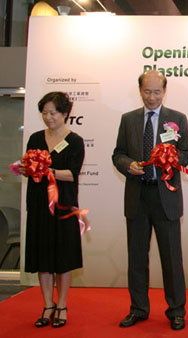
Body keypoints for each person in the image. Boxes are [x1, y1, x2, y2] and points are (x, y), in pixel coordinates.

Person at [112, 70, 188, 330]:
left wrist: (171, 160)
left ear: (164, 91)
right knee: (137, 258)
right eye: (147, 91)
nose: (152, 97)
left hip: (165, 196)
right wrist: (128, 165)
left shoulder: (177, 119)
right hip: (137, 195)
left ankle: (177, 310)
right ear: (140, 90)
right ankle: (138, 309)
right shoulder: (128, 119)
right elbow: (118, 154)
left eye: (157, 92)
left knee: (172, 259)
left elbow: (186, 154)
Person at [24, 91, 85, 328]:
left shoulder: (75, 141)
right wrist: (25, 168)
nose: (48, 117)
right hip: (39, 204)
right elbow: (29, 166)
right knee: (43, 257)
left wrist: (47, 171)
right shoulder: (36, 138)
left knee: (63, 257)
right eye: (44, 113)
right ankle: (47, 304)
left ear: (65, 114)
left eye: (53, 113)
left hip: (63, 205)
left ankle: (62, 304)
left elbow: (72, 174)